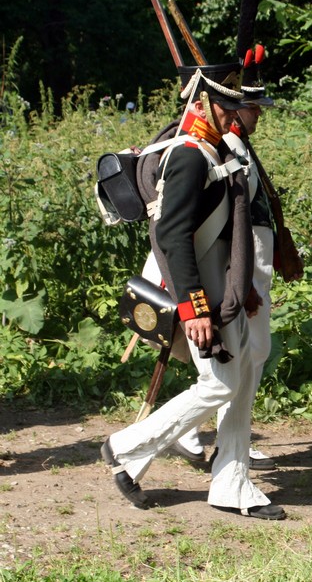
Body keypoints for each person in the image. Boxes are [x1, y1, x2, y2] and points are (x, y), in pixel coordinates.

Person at [100, 57, 284, 520]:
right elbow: (173, 236)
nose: (233, 112)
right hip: (201, 293)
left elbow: (229, 231)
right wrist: (194, 307)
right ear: (201, 103)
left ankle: (232, 483)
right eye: (224, 104)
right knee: (220, 384)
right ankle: (126, 446)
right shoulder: (187, 155)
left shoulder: (215, 151)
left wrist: (242, 285)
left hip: (225, 288)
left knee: (241, 380)